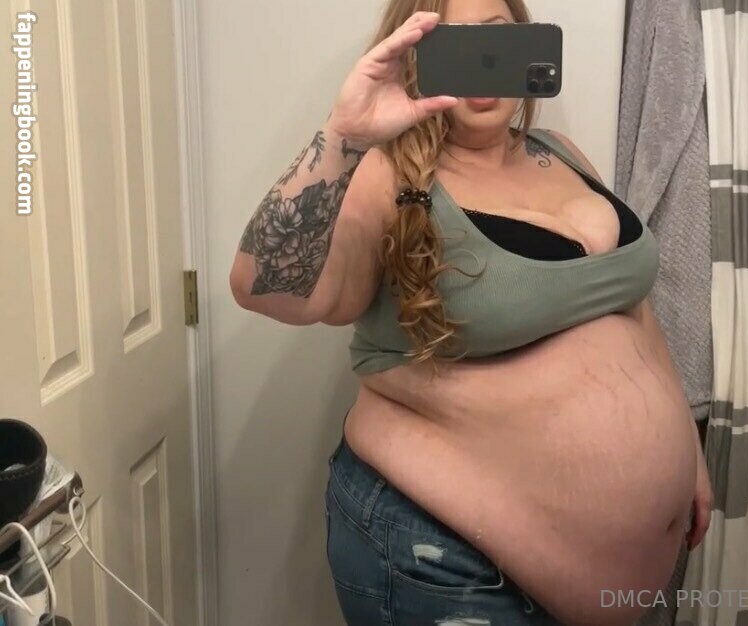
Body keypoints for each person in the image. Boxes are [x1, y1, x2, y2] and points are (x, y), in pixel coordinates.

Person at [229, 1, 713, 624]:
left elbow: (630, 305)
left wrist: (685, 452)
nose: (482, 64)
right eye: (453, 44)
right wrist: (344, 135)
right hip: (444, 556)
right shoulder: (387, 176)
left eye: (497, 40)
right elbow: (262, 287)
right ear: (413, 57)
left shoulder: (560, 151)